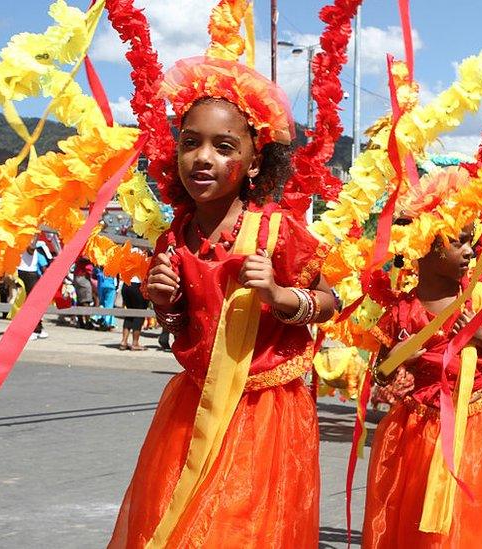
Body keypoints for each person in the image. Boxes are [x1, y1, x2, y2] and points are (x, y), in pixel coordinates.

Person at [109, 56, 336, 547]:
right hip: (193, 405)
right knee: (182, 521)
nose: (202, 158)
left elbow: (329, 300)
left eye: (222, 146)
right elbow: (183, 326)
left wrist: (279, 295)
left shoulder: (277, 230)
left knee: (239, 527)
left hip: (263, 413)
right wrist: (163, 301)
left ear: (255, 161)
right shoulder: (176, 237)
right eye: (190, 143)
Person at [362, 223, 482, 548]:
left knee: (469, 510)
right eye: (459, 243)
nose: (470, 251)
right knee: (416, 509)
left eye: (470, 243)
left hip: (473, 428)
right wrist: (405, 356)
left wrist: (480, 336)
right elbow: (381, 374)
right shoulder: (404, 311)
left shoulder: (479, 298)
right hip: (416, 431)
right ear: (427, 251)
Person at [17, 238, 48, 340]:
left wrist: (34, 236)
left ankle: (35, 329)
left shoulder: (32, 233)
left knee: (32, 302)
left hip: (29, 272)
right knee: (23, 302)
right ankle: (33, 329)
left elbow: (31, 250)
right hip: (21, 270)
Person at [119, 276, 148, 351]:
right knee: (139, 314)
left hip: (126, 285)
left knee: (129, 313)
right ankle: (135, 343)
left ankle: (124, 341)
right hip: (138, 285)